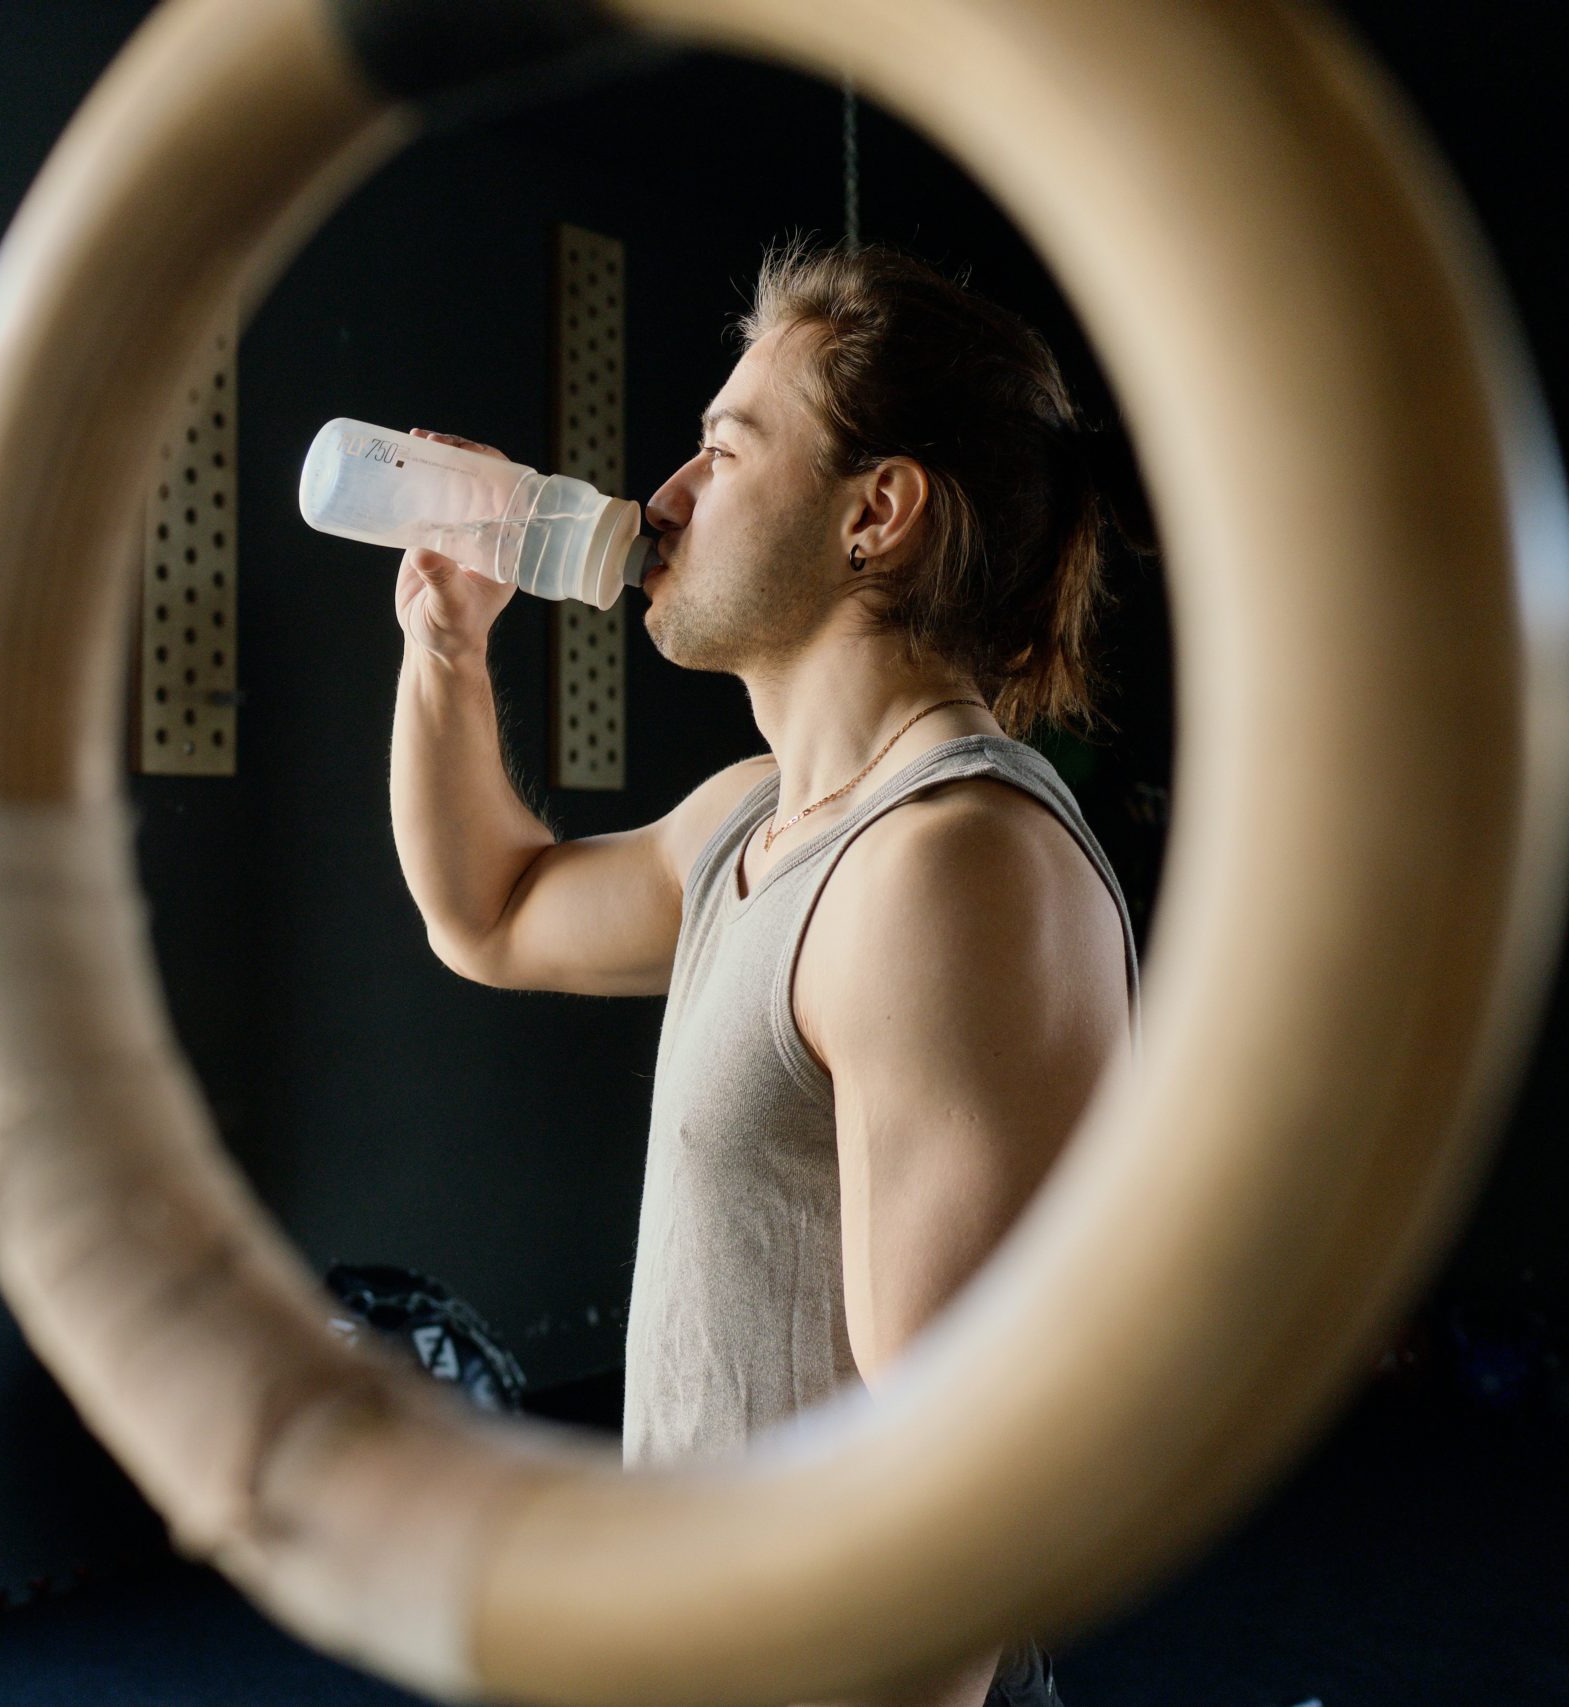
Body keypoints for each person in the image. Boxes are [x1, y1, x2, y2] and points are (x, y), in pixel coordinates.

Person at [387, 235, 1138, 1707]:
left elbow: (956, 1492)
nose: (662, 499)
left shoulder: (948, 869)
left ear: (879, 512)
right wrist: (446, 650)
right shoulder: (757, 815)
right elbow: (487, 912)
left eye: (725, 452)